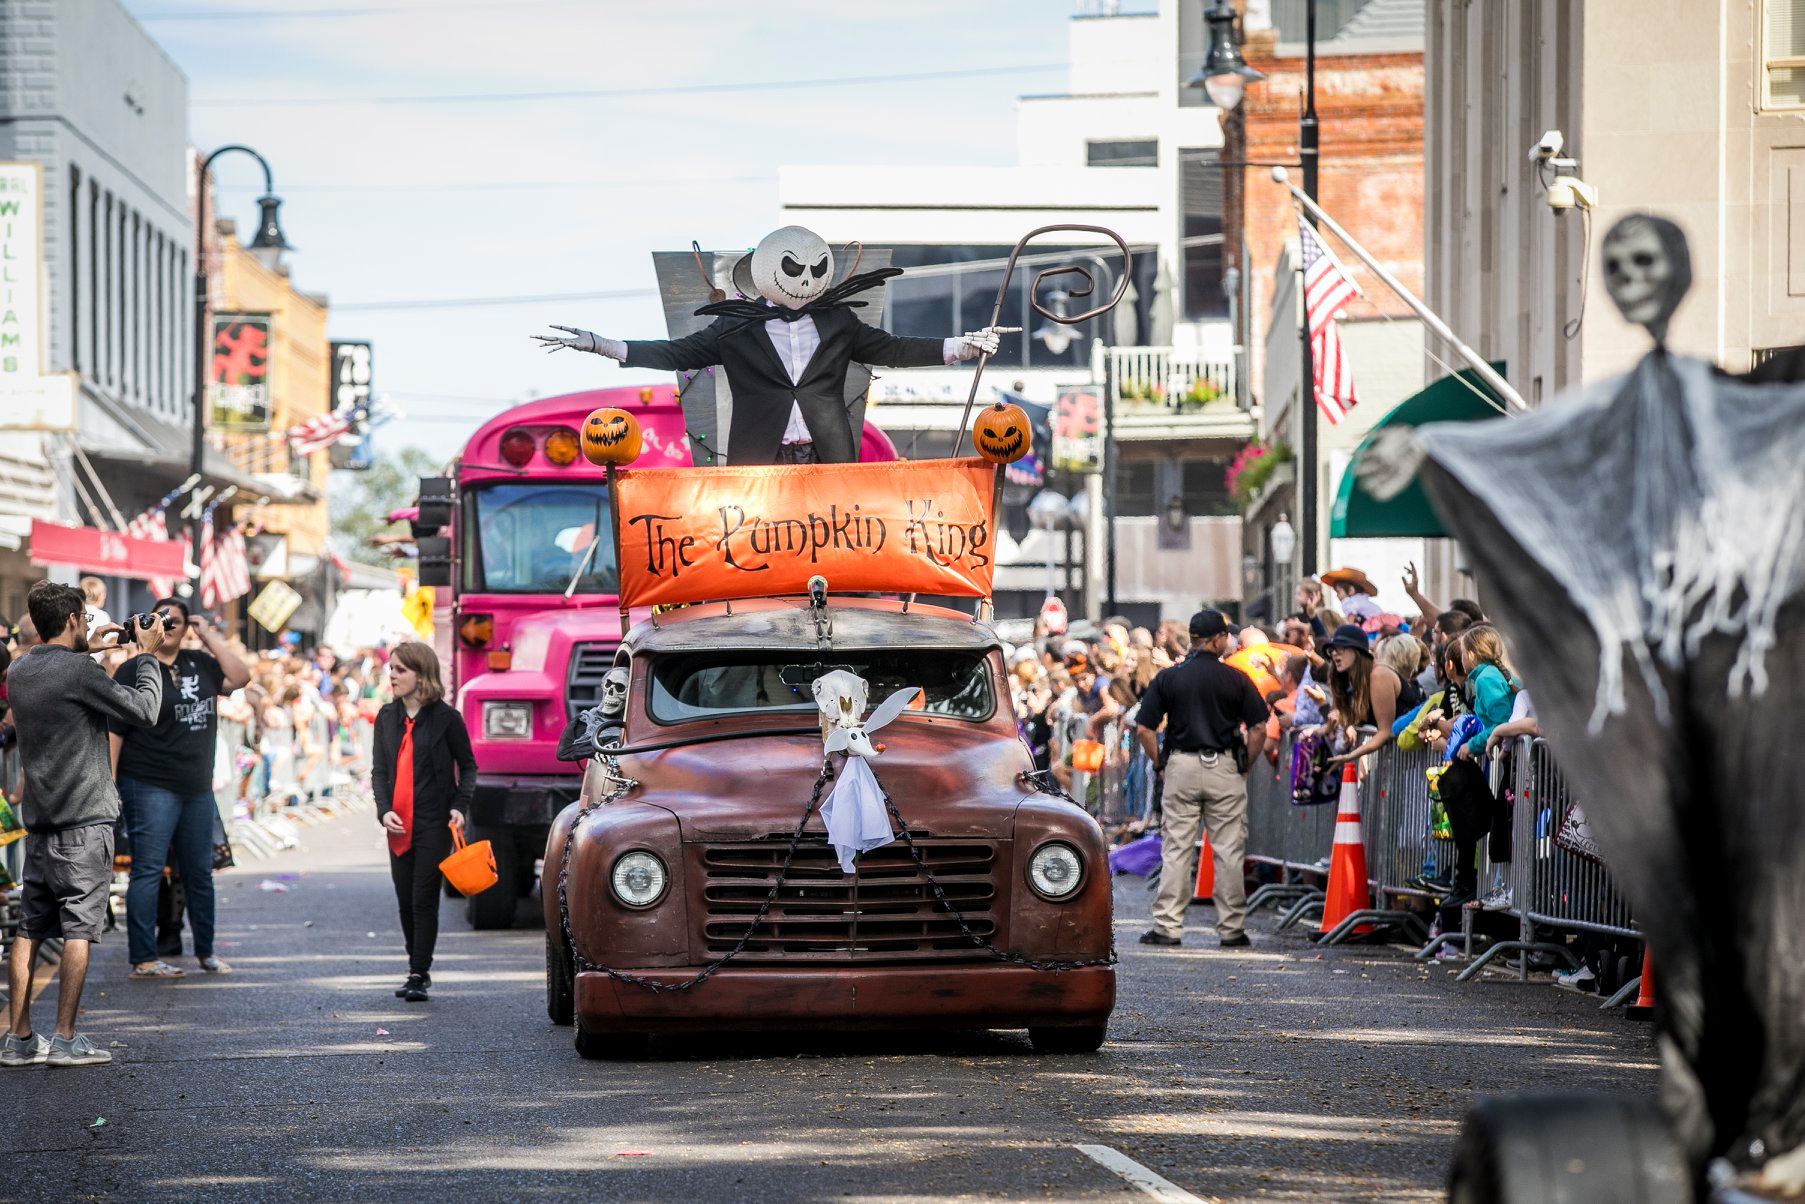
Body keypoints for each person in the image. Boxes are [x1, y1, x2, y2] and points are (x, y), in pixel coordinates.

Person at [533, 225, 1009, 465]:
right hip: (761, 455)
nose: (805, 281)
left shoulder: (839, 321)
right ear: (765, 270)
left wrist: (961, 347)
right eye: (793, 269)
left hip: (829, 456)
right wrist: (603, 345)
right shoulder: (735, 329)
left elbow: (894, 349)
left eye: (813, 271)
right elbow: (677, 353)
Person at [3, 582, 165, 1069]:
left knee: (30, 929)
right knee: (79, 927)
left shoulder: (21, 668)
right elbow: (145, 711)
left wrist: (94, 649)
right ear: (74, 619)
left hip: (42, 820)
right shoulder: (78, 671)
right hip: (86, 819)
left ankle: (19, 1038)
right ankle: (67, 1038)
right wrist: (148, 656)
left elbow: (61, 671)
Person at [108, 598, 251, 979]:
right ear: (150, 622)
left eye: (179, 621)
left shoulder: (200, 663)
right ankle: (144, 957)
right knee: (148, 872)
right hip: (148, 784)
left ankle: (206, 951)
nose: (171, 626)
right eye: (163, 619)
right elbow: (115, 732)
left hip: (196, 788)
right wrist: (110, 785)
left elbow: (241, 678)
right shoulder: (133, 670)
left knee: (199, 873)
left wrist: (208, 635)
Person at [1136, 609, 1269, 949]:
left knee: (1177, 847)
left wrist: (1160, 763)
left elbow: (1144, 728)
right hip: (1224, 765)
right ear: (1218, 639)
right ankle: (1231, 928)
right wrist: (1246, 765)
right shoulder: (1236, 678)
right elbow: (1258, 727)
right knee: (1228, 849)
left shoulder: (1170, 678)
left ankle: (1167, 927)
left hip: (1182, 764)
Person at [372, 641, 475, 1003]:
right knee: (403, 901)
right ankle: (415, 964)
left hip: (433, 821)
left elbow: (469, 766)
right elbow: (379, 771)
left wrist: (460, 805)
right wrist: (383, 810)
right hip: (397, 823)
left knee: (422, 899)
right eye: (392, 669)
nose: (393, 675)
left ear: (421, 674)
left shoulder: (447, 718)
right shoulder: (386, 716)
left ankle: (418, 973)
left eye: (400, 669)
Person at [1321, 624, 1405, 767]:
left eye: (1340, 648)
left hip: (1409, 763)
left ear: (1357, 651)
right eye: (1332, 650)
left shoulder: (1378, 675)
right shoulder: (1349, 681)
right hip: (1390, 764)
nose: (1334, 653)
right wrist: (1349, 725)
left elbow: (1385, 731)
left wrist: (1351, 756)